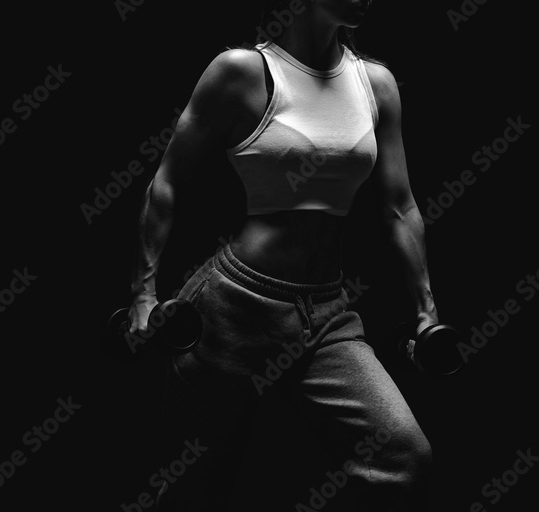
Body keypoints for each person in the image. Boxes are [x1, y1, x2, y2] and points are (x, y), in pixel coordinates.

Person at [128, 1, 436, 509]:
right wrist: (143, 296)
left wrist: (427, 311)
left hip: (327, 313)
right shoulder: (242, 72)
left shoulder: (375, 83)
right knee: (193, 489)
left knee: (402, 458)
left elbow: (400, 207)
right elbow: (165, 182)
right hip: (233, 308)